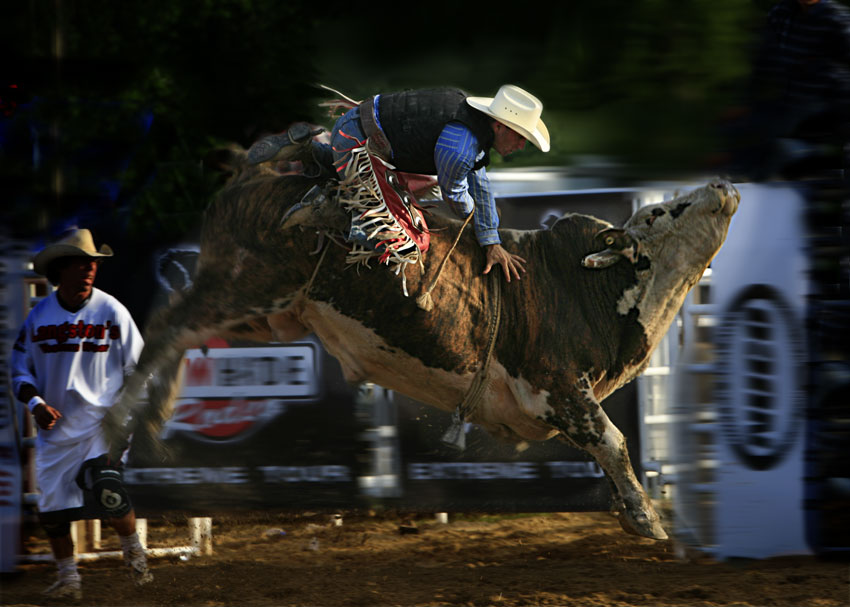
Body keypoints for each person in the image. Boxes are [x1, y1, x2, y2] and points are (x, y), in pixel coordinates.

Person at [247, 84, 550, 282]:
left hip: (356, 130)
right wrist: (472, 217)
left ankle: (310, 151)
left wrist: (490, 238)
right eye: (521, 137)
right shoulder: (460, 147)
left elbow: (479, 182)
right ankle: (333, 210)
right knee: (411, 242)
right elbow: (457, 196)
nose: (522, 146)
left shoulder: (471, 125)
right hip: (360, 144)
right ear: (499, 125)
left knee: (416, 183)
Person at [11, 228, 152, 600]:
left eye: (93, 263)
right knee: (54, 513)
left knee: (109, 490)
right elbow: (19, 370)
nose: (90, 269)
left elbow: (139, 370)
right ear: (62, 269)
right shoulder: (38, 316)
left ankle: (134, 554)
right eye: (81, 263)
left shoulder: (111, 309)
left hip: (102, 420)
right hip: (55, 428)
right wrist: (36, 405)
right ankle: (68, 578)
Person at [726, 0, 850, 180]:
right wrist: (746, 102)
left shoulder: (837, 19)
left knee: (780, 151)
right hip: (788, 104)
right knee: (737, 131)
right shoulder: (780, 13)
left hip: (827, 109)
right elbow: (763, 62)